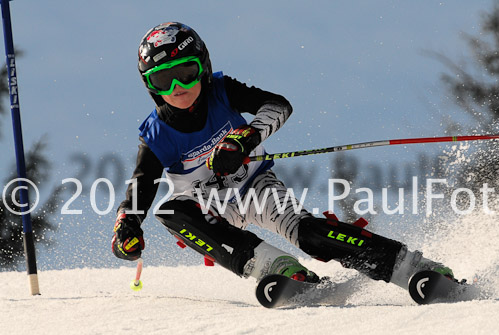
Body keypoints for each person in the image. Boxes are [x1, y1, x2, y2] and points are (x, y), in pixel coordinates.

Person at [111, 22, 453, 292]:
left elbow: (278, 105)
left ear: (202, 68)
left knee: (309, 233)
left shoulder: (221, 91)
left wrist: (245, 139)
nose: (177, 88)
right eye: (163, 80)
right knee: (171, 210)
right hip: (211, 207)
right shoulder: (156, 133)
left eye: (184, 74)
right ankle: (270, 266)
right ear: (150, 86)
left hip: (257, 187)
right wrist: (127, 225)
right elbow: (141, 187)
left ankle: (410, 267)